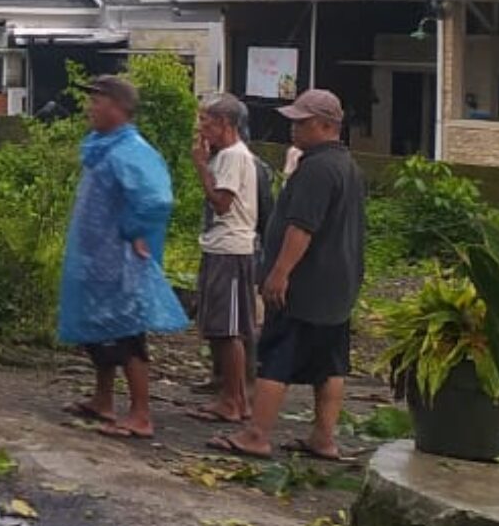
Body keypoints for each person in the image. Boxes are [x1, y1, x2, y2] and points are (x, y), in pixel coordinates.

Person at [212, 88, 367, 462]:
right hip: (338, 285)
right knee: (330, 363)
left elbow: (302, 228)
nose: (293, 129)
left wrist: (279, 273)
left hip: (306, 284)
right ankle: (324, 437)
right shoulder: (347, 166)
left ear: (326, 125)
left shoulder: (316, 169)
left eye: (302, 122)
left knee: (278, 356)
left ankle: (257, 434)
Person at [57, 76, 189, 440]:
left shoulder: (131, 149)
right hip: (95, 257)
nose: (90, 107)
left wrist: (135, 232)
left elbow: (156, 199)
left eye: (97, 100)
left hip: (121, 259)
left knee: (127, 333)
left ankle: (141, 414)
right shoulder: (103, 145)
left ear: (118, 106)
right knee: (99, 328)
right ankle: (103, 400)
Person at [189, 94, 263, 424]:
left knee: (229, 328)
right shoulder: (226, 156)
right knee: (219, 327)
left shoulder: (233, 157)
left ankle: (235, 400)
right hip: (220, 248)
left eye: (206, 120)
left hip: (231, 251)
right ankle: (231, 397)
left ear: (225, 124)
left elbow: (222, 203)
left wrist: (201, 166)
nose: (201, 127)